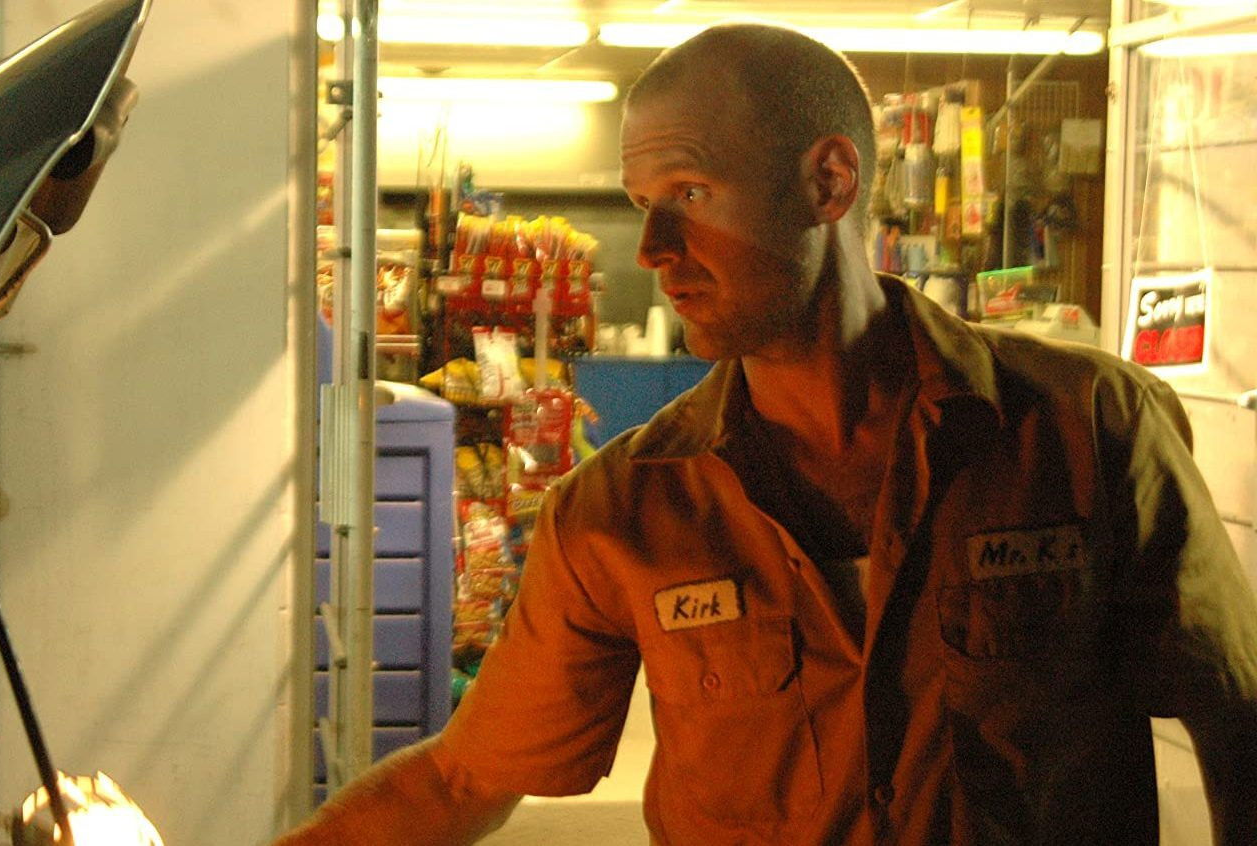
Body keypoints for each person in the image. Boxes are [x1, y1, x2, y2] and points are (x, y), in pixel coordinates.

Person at [275, 23, 1257, 845]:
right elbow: (459, 781)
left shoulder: (1085, 429)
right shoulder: (623, 510)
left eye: (690, 195)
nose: (654, 251)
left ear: (828, 183)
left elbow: (1237, 719)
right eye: (642, 207)